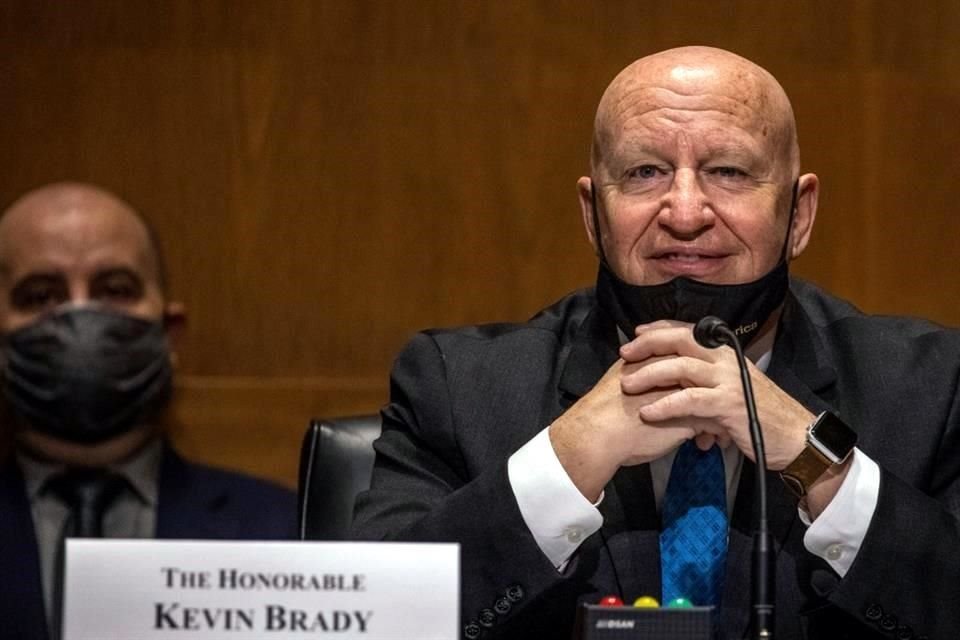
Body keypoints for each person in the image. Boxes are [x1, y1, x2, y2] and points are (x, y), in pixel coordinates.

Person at [353, 46, 960, 639]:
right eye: (646, 172)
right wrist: (566, 460)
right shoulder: (458, 387)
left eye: (729, 171)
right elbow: (370, 623)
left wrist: (816, 463)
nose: (687, 211)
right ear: (593, 214)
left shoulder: (929, 387)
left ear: (798, 214)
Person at [0, 182, 298, 640]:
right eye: (41, 296)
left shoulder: (288, 532)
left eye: (115, 290)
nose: (81, 317)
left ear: (170, 333)